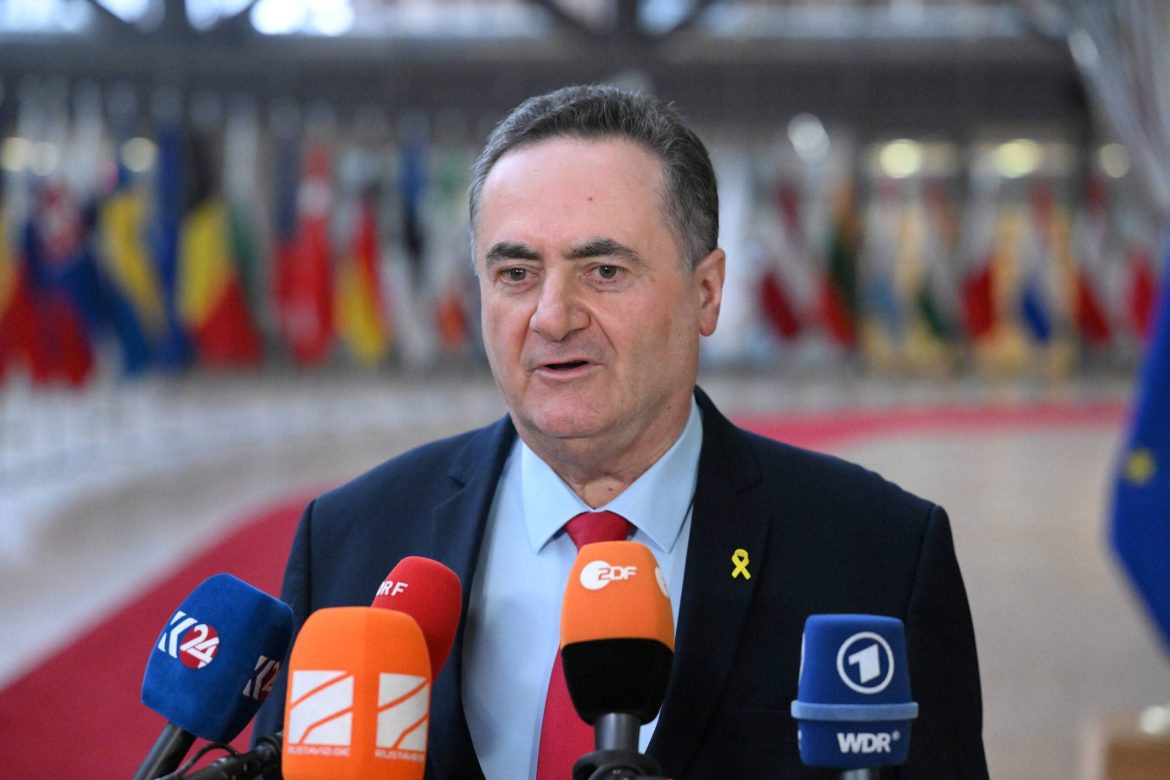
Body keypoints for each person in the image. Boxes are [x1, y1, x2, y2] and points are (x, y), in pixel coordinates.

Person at [253, 84, 988, 779]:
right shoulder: (351, 541)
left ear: (707, 293)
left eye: (603, 270)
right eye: (515, 273)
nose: (552, 316)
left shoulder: (880, 555)